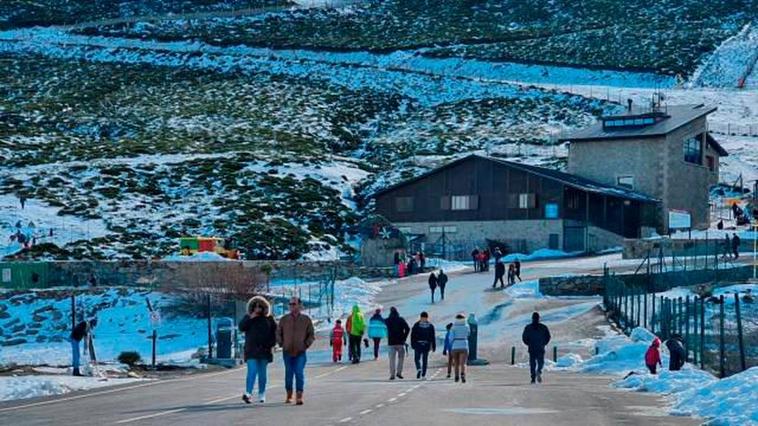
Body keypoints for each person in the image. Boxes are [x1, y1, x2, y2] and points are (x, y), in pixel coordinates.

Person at [276, 297, 315, 405]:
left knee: (299, 372)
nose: (292, 306)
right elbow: (278, 332)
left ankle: (299, 395)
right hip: (287, 351)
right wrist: (281, 343)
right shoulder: (284, 319)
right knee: (289, 373)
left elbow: (311, 334)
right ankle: (289, 394)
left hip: (300, 351)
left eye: (294, 304)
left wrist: (306, 345)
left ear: (299, 305)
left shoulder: (306, 319)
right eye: (290, 304)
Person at [239, 296, 277, 404]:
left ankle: (262, 393)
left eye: (260, 306)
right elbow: (241, 327)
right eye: (255, 306)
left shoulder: (269, 319)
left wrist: (271, 344)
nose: (257, 309)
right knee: (252, 371)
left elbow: (274, 332)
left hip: (264, 350)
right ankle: (248, 393)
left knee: (262, 373)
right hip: (251, 350)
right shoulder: (248, 317)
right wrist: (250, 317)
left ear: (264, 307)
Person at [522, 312, 551, 384]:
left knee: (532, 363)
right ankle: (539, 371)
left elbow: (524, 338)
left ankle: (533, 377)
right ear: (539, 318)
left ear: (532, 318)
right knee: (540, 362)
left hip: (532, 348)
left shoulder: (528, 327)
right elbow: (548, 337)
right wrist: (543, 343)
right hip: (540, 347)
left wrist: (529, 344)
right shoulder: (543, 327)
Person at [385, 307, 410, 380]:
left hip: (391, 342)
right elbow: (408, 328)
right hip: (400, 342)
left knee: (392, 359)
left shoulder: (388, 320)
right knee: (401, 358)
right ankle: (399, 373)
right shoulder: (401, 319)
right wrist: (404, 337)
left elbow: (382, 323)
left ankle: (392, 374)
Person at [410, 311, 436, 379]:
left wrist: (413, 344)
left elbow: (412, 335)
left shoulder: (416, 325)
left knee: (417, 359)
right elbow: (432, 336)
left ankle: (419, 369)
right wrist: (433, 346)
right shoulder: (430, 326)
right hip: (426, 344)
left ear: (420, 317)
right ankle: (423, 374)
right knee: (425, 360)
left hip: (418, 344)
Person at [449, 313, 470, 383]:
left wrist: (451, 344)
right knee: (463, 363)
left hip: (455, 345)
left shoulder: (453, 327)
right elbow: (468, 334)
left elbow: (450, 338)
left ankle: (456, 376)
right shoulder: (467, 326)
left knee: (456, 363)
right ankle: (463, 374)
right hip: (464, 344)